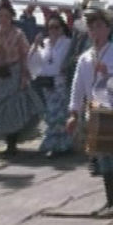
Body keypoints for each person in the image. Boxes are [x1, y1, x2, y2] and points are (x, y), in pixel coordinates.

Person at [68, 5, 113, 217]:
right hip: (95, 113)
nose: (95, 31)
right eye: (91, 27)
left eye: (99, 26)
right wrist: (74, 112)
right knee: (103, 158)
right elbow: (78, 86)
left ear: (108, 29)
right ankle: (110, 201)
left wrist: (109, 76)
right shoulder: (85, 58)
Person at [0, 0, 42, 158]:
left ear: (11, 17)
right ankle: (4, 138)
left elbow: (25, 56)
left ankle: (12, 143)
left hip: (13, 72)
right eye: (0, 16)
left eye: (6, 16)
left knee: (12, 108)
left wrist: (24, 76)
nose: (3, 19)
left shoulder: (18, 34)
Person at [27, 13, 74, 157]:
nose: (53, 31)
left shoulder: (67, 43)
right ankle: (56, 145)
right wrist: (35, 45)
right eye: (50, 28)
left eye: (56, 27)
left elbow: (64, 62)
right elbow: (34, 62)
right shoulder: (45, 44)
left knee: (58, 115)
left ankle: (61, 145)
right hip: (47, 83)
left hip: (59, 83)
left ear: (62, 28)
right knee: (50, 115)